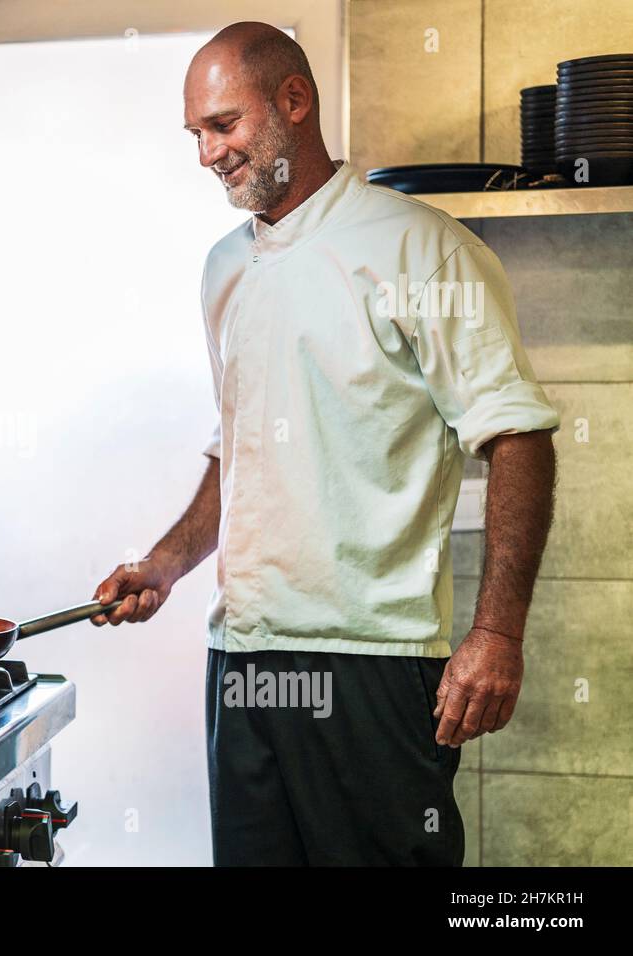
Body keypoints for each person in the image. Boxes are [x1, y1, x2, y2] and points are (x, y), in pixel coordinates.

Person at [92, 21, 559, 866]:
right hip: (242, 658)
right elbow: (238, 447)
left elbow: (517, 433)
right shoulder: (223, 269)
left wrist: (497, 634)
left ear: (294, 103)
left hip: (368, 664)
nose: (206, 154)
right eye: (195, 134)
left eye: (223, 125)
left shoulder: (422, 249)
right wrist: (164, 563)